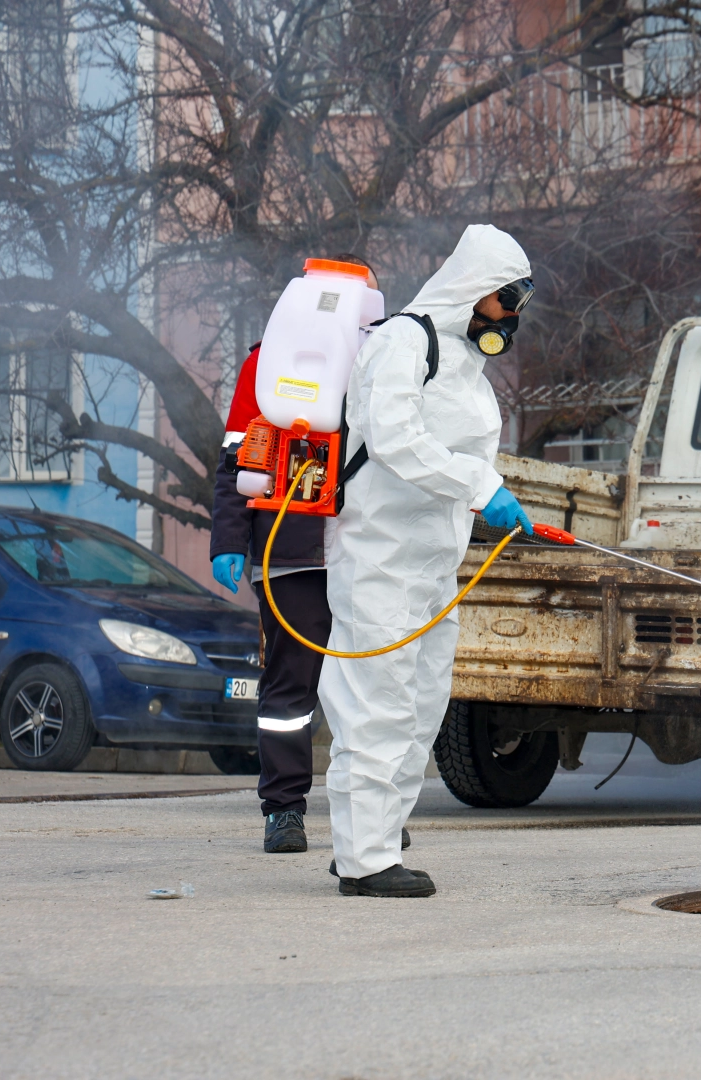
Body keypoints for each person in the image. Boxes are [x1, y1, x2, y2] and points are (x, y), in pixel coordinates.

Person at [317, 225, 536, 898]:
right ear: (473, 290)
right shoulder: (400, 342)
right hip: (378, 561)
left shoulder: (464, 363)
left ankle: (373, 836)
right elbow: (393, 439)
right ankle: (365, 861)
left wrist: (484, 493)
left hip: (432, 569)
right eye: (506, 299)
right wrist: (480, 490)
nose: (512, 316)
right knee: (375, 707)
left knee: (419, 709)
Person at [209, 253, 409, 857]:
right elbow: (237, 459)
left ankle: (372, 814)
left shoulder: (388, 360)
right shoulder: (267, 362)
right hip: (291, 551)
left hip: (363, 550)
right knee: (289, 691)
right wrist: (228, 541)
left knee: (368, 687)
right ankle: (284, 809)